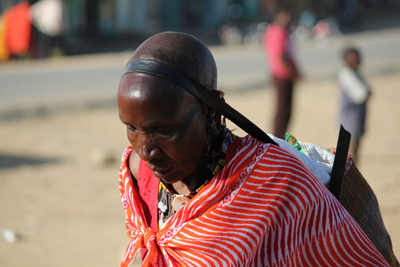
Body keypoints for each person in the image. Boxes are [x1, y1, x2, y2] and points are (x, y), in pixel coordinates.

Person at [117, 32, 390, 266]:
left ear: (211, 113)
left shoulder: (277, 180)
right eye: (132, 128)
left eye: (164, 130)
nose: (146, 150)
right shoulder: (139, 175)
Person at [263, 8, 301, 139]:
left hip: (284, 75)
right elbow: (281, 56)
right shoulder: (278, 31)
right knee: (283, 111)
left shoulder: (280, 31)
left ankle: (280, 137)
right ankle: (278, 139)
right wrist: (293, 72)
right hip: (282, 75)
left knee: (286, 110)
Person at [338, 47, 371, 162]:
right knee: (350, 149)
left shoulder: (354, 72)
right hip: (351, 118)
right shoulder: (346, 74)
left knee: (356, 147)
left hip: (356, 117)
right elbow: (361, 95)